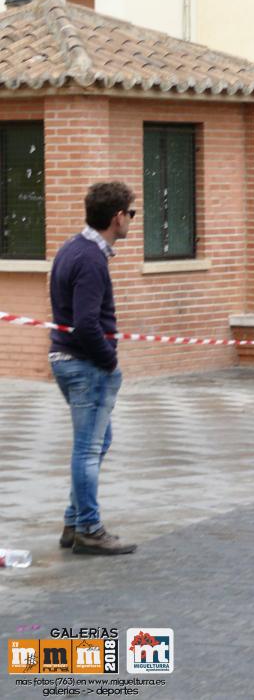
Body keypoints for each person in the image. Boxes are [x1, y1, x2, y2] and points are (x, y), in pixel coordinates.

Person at [49, 182, 137, 556]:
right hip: (84, 366)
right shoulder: (89, 259)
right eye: (131, 214)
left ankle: (74, 521)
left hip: (68, 361)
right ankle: (88, 528)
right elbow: (86, 323)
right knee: (88, 448)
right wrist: (110, 361)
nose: (132, 220)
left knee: (98, 442)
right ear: (117, 217)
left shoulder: (73, 248)